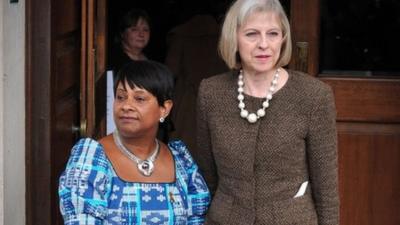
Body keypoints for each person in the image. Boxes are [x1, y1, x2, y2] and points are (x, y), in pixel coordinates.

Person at [196, 0, 339, 224]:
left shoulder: (314, 96)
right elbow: (207, 177)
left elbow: (326, 188)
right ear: (234, 38)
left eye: (273, 33)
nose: (264, 44)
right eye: (252, 34)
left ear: (283, 38)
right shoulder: (211, 93)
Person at [59, 60, 211, 224]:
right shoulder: (92, 160)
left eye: (139, 98)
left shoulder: (182, 163)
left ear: (164, 109)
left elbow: (197, 219)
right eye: (121, 97)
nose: (126, 106)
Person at [165, 3, 229, 156]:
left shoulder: (181, 35)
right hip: (219, 100)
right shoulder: (223, 37)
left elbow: (170, 71)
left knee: (184, 151)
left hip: (186, 103)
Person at [109, 8, 151, 73]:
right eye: (134, 29)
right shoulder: (115, 62)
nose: (141, 34)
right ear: (122, 33)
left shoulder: (148, 60)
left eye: (145, 29)